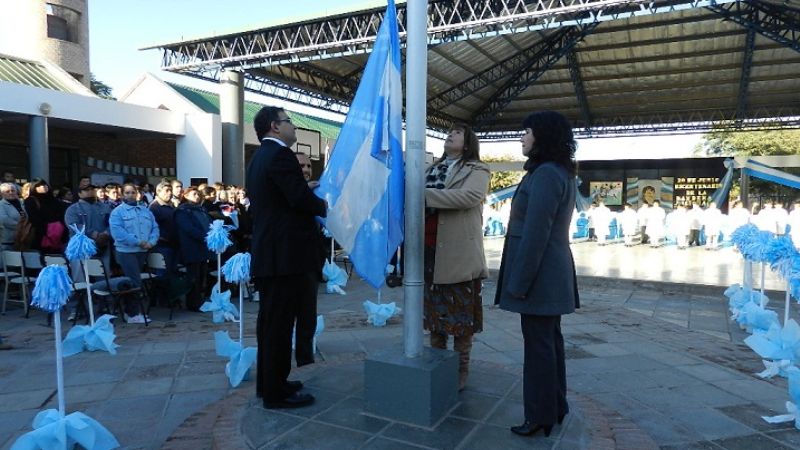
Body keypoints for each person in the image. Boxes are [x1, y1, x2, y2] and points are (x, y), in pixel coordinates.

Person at [495, 111, 579, 438]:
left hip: (540, 276)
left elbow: (536, 234)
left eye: (525, 131)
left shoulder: (544, 174)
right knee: (549, 343)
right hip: (549, 273)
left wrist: (518, 283)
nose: (521, 137)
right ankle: (555, 407)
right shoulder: (556, 171)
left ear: (541, 136)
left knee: (539, 348)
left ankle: (540, 416)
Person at [246, 106, 326, 409]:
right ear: (274, 127)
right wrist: (326, 206)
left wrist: (304, 191)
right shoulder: (279, 155)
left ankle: (270, 383)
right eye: (289, 121)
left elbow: (282, 196)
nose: (293, 126)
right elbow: (298, 199)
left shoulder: (260, 157)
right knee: (279, 326)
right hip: (284, 256)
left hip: (273, 255)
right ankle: (275, 393)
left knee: (270, 324)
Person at [423, 124, 490, 390]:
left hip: (458, 254)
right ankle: (438, 364)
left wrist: (423, 195)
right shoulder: (429, 169)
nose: (449, 135)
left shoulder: (478, 169)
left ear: (468, 142)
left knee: (461, 317)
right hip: (428, 252)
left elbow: (470, 196)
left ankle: (462, 369)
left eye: (457, 133)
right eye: (448, 132)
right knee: (433, 316)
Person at [109, 183, 159, 323]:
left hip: (142, 251)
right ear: (122, 195)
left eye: (133, 192)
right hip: (126, 251)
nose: (130, 195)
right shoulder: (117, 212)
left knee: (136, 281)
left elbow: (155, 228)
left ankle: (130, 311)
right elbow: (118, 233)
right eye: (127, 192)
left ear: (137, 194)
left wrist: (151, 241)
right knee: (133, 281)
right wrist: (138, 242)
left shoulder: (145, 210)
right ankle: (132, 313)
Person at [293, 152, 324, 367]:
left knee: (307, 319)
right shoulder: (288, 192)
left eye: (308, 166)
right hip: (288, 266)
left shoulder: (313, 193)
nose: (305, 170)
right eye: (301, 165)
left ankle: (305, 363)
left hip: (310, 267)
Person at [64, 183, 112, 319]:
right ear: (79, 193)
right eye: (86, 190)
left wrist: (106, 234)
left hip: (102, 246)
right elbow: (74, 225)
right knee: (79, 279)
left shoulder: (104, 207)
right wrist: (95, 234)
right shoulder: (72, 209)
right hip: (81, 248)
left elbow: (112, 223)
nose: (90, 192)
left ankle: (105, 306)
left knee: (104, 276)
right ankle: (76, 308)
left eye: (92, 189)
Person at [174, 186, 212, 311]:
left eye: (198, 194)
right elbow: (189, 229)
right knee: (193, 277)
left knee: (202, 276)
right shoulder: (182, 211)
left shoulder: (201, 209)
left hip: (203, 248)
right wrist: (205, 237)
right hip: (191, 248)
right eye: (194, 194)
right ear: (186, 196)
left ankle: (200, 300)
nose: (197, 196)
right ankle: (193, 303)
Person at [24, 178, 66, 253]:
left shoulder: (54, 200)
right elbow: (34, 219)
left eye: (45, 184)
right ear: (34, 188)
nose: (43, 187)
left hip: (58, 236)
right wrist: (47, 229)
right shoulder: (31, 200)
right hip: (39, 237)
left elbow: (61, 215)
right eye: (39, 185)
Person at [0, 183, 25, 250]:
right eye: (7, 191)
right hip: (8, 242)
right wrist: (21, 227)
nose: (11, 193)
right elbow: (4, 220)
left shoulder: (21, 202)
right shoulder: (1, 205)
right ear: (2, 194)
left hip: (23, 240)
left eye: (13, 190)